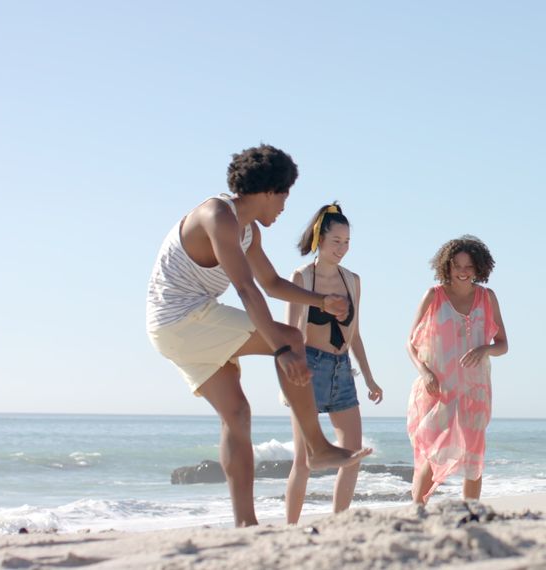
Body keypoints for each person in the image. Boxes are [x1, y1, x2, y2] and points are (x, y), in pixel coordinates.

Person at [146, 145, 371, 527]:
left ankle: (246, 525)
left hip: (177, 327)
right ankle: (316, 447)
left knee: (237, 415)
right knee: (291, 338)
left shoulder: (247, 231)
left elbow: (271, 283)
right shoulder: (218, 216)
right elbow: (247, 289)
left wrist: (322, 300)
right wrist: (281, 346)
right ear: (268, 190)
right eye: (283, 195)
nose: (284, 206)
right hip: (184, 319)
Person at [283, 203, 384, 523]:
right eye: (336, 241)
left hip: (342, 371)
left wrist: (368, 378)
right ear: (319, 239)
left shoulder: (353, 280)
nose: (342, 248)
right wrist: (290, 381)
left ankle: (338, 524)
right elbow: (291, 335)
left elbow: (354, 333)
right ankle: (290, 529)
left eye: (347, 242)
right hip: (308, 369)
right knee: (304, 460)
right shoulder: (302, 277)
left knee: (352, 456)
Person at [406, 235, 508, 505]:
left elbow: (503, 345)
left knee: (474, 452)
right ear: (447, 267)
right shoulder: (434, 296)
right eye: (457, 266)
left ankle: (470, 512)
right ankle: (417, 510)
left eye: (469, 267)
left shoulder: (487, 298)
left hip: (475, 389)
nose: (463, 272)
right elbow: (410, 344)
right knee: (433, 449)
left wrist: (484, 349)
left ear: (479, 268)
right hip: (439, 388)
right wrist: (425, 373)